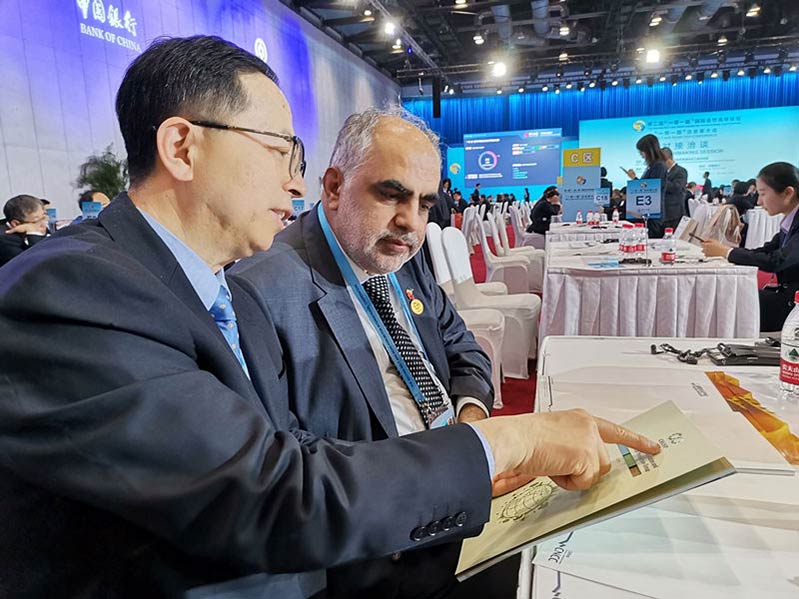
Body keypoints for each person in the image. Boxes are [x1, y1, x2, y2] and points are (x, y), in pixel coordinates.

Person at [0, 35, 660, 599]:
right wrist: (509, 443)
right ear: (182, 146)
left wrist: (471, 450)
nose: (294, 183)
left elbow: (292, 450)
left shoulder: (206, 286)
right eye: (278, 152)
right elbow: (272, 493)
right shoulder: (74, 291)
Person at [233, 107, 521, 598]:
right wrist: (444, 470)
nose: (411, 222)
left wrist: (469, 420)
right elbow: (285, 459)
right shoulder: (262, 287)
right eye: (391, 194)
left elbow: (463, 348)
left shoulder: (402, 255)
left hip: (464, 484)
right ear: (333, 187)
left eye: (425, 203)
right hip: (386, 544)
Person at [702, 162, 799, 331]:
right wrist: (727, 252)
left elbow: (776, 261)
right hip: (787, 295)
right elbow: (766, 250)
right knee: (729, 297)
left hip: (793, 305)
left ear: (788, 193)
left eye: (762, 194)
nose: (759, 201)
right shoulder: (790, 221)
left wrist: (727, 252)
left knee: (731, 303)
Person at [625, 134, 667, 229]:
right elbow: (646, 186)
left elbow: (651, 188)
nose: (640, 154)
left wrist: (635, 181)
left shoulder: (659, 166)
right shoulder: (652, 166)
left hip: (652, 213)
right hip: (646, 211)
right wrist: (634, 179)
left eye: (641, 151)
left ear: (649, 150)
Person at [0, 194, 49, 266]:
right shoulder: (4, 240)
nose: (44, 224)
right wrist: (33, 232)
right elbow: (37, 263)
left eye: (44, 217)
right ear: (16, 224)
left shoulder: (39, 225)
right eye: (37, 221)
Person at [659, 147, 688, 233]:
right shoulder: (662, 172)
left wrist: (660, 180)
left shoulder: (681, 171)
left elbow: (677, 187)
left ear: (668, 160)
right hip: (661, 213)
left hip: (674, 214)